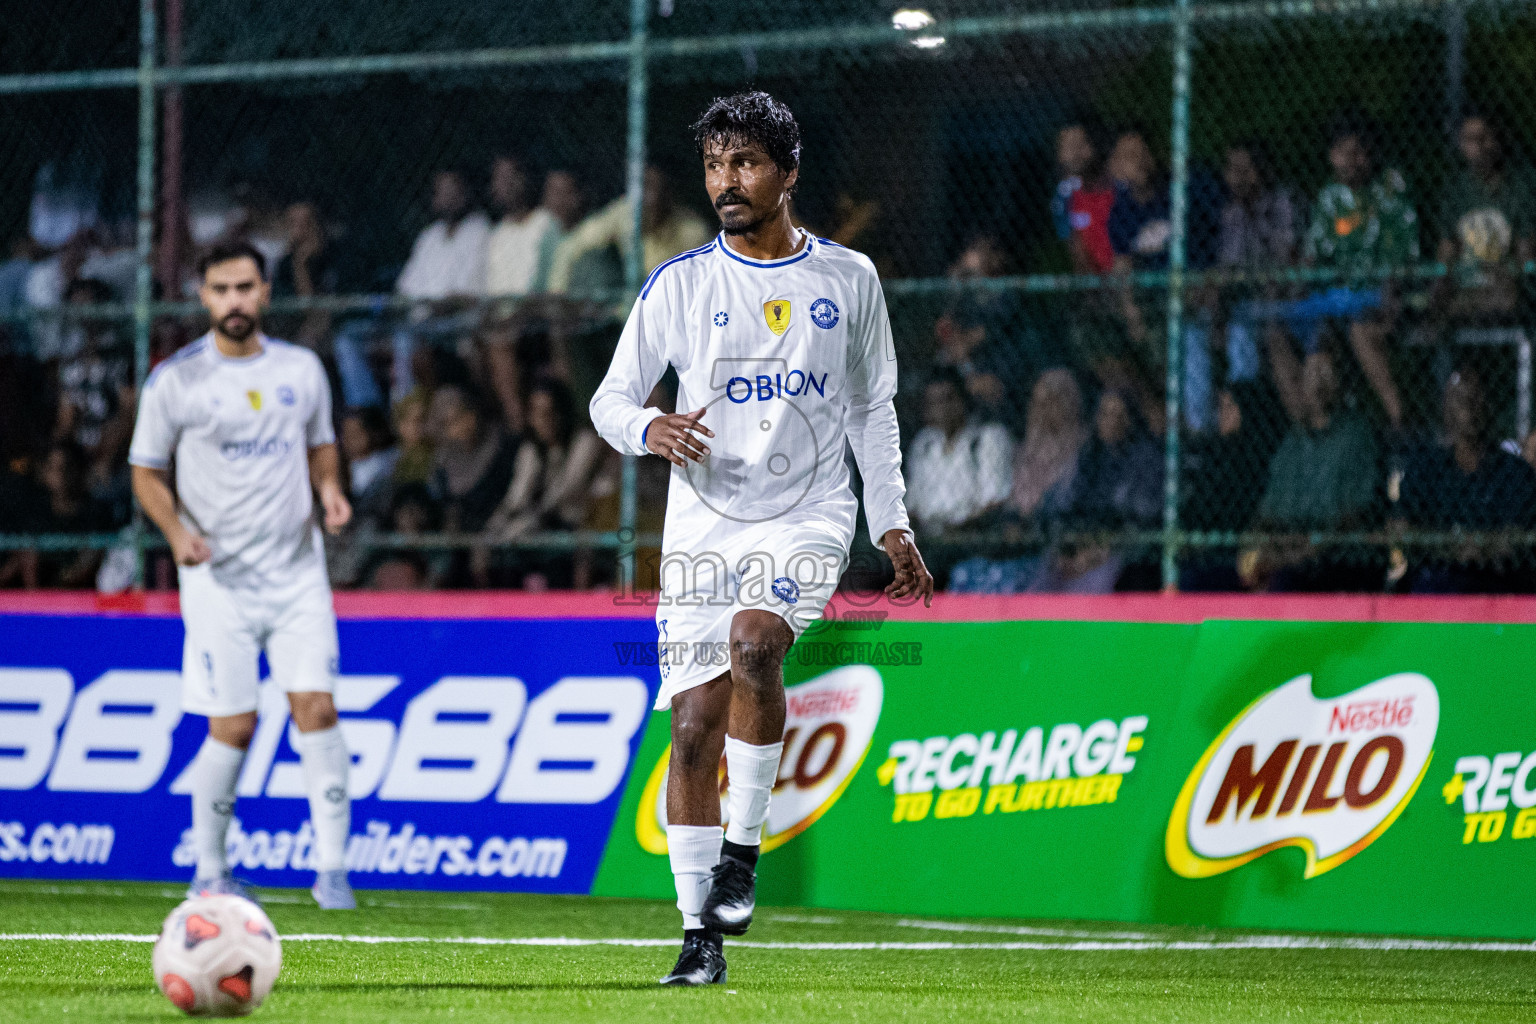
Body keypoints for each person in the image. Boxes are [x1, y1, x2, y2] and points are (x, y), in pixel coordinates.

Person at [589, 91, 932, 986]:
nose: (725, 181)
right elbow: (610, 400)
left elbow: (873, 411)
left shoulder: (849, 278)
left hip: (809, 513)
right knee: (692, 729)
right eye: (713, 164)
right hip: (702, 527)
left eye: (743, 162)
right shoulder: (679, 284)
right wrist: (649, 428)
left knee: (754, 646)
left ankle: (742, 856)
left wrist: (891, 522)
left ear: (787, 173)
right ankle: (698, 936)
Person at [127, 240, 357, 909]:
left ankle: (333, 873)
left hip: (296, 572)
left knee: (316, 708)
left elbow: (321, 444)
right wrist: (177, 534)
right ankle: (209, 869)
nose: (235, 300)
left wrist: (330, 490)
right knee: (233, 724)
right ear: (203, 296)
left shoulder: (300, 369)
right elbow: (146, 471)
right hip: (217, 581)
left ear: (265, 292)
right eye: (222, 289)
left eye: (246, 287)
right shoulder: (176, 380)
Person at [1297, 115, 1419, 428]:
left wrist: (1392, 292)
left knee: (1358, 329)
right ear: (1331, 156)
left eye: (1359, 151)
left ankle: (1399, 419)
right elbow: (1313, 253)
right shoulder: (1330, 196)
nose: (1351, 161)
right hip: (1338, 296)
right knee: (1286, 328)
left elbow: (1402, 254)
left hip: (1377, 293)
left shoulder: (1390, 185)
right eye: (1342, 152)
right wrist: (1299, 285)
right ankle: (1310, 426)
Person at [1243, 349, 1380, 591]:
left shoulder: (1356, 435)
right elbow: (1268, 512)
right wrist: (1254, 548)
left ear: (1340, 382)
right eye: (1311, 374)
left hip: (1333, 552)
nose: (1318, 384)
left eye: (1325, 374)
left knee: (1285, 581)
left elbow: (1353, 515)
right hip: (1287, 544)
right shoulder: (1293, 440)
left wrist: (1308, 548)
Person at [1397, 367, 1536, 592]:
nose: (1468, 408)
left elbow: (1519, 537)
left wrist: (1483, 548)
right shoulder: (1426, 468)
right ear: (1446, 409)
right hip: (1437, 578)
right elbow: (1401, 526)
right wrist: (1450, 548)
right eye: (1460, 399)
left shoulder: (1513, 471)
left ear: (1489, 406)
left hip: (1497, 581)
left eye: (1476, 398)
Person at [904, 369, 1013, 535]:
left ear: (963, 400)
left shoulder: (987, 438)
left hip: (971, 537)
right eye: (934, 402)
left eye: (947, 399)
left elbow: (994, 502)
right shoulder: (925, 443)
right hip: (927, 538)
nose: (941, 408)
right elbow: (911, 504)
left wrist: (953, 531)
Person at [485, 155, 563, 298]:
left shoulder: (546, 222)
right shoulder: (497, 234)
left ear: (525, 178)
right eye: (500, 178)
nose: (506, 185)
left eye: (511, 176)